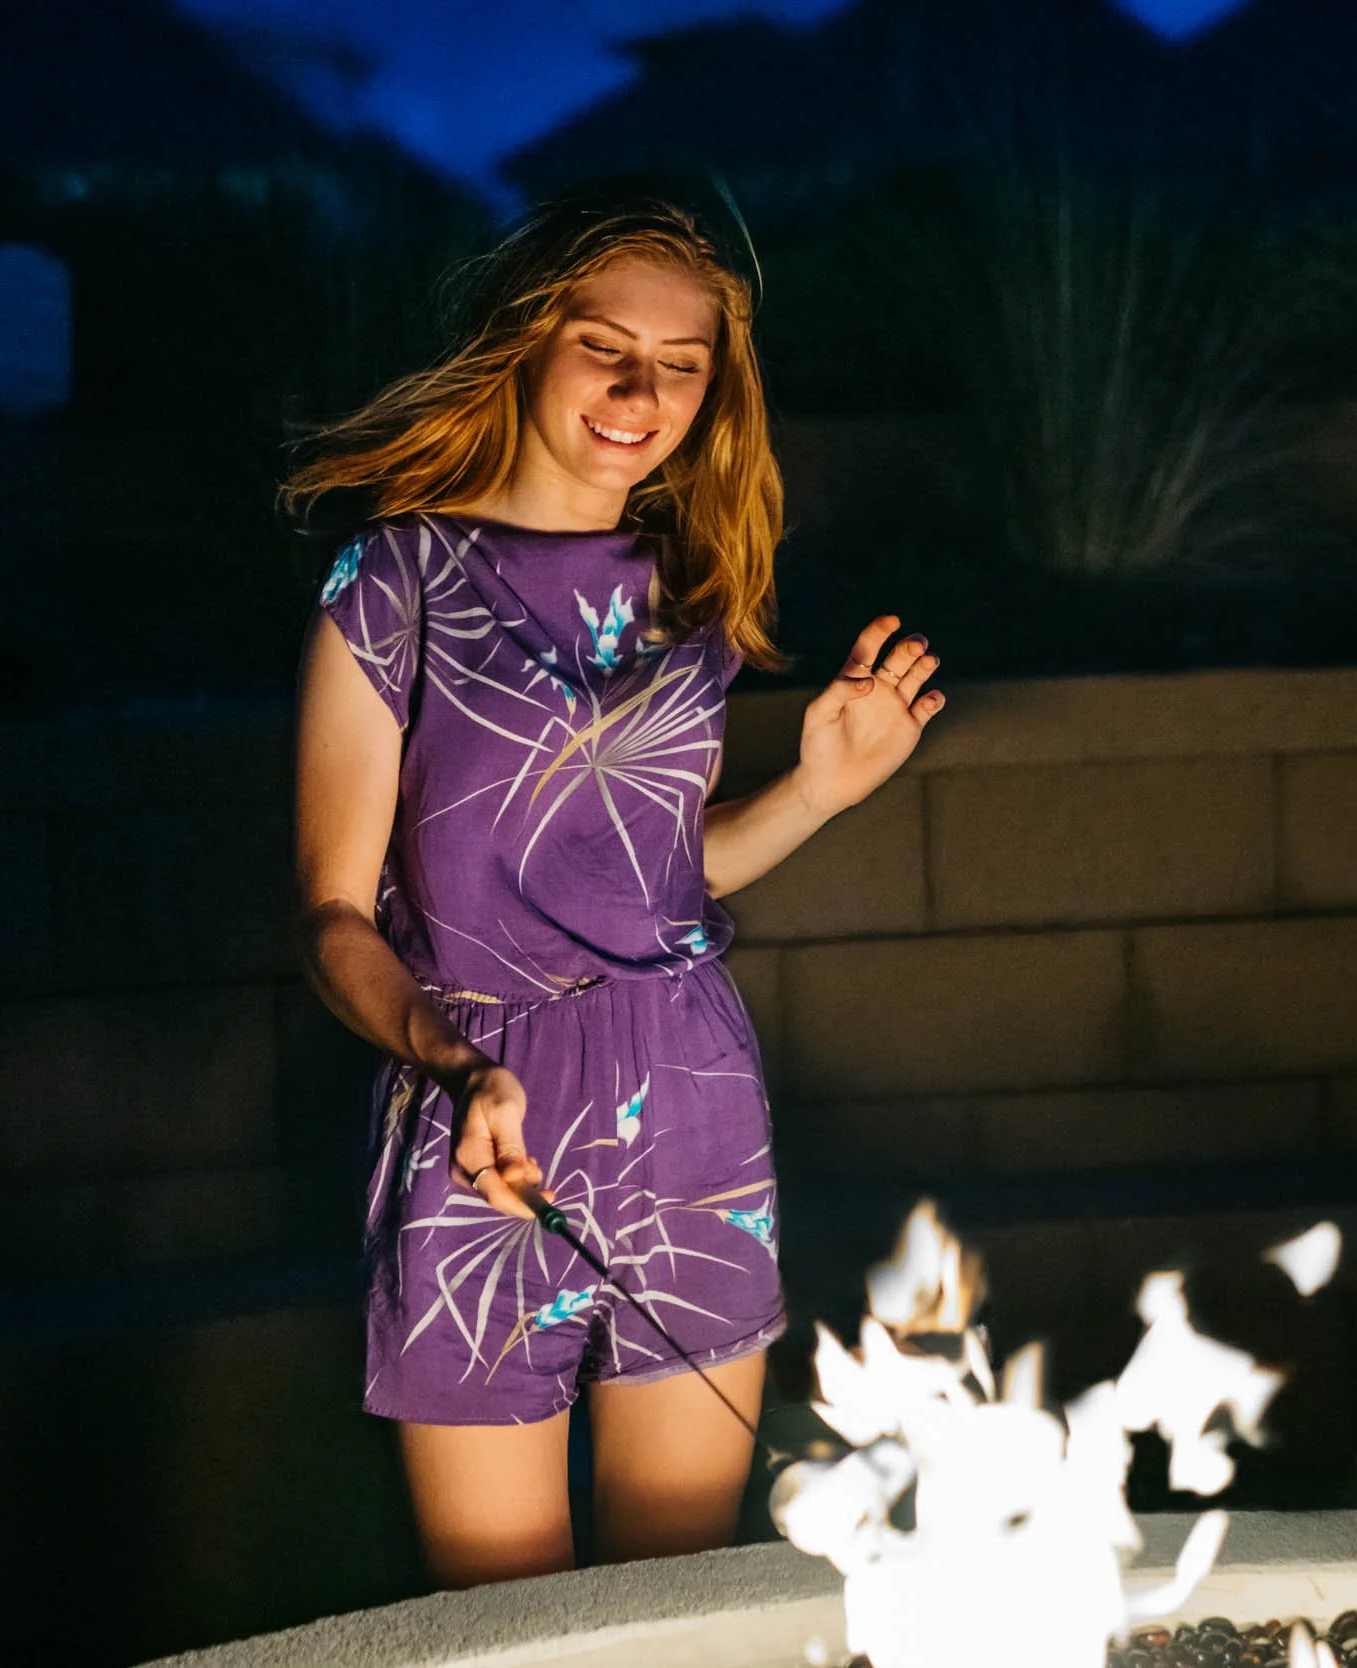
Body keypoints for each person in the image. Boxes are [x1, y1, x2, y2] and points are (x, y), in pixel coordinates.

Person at [286, 190, 947, 1589]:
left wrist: (819, 789)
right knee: (511, 1624)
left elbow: (654, 881)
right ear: (528, 344)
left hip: (691, 1103)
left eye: (683, 362)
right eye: (605, 345)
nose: (642, 390)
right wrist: (451, 1061)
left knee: (677, 1607)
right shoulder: (394, 577)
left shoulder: (693, 589)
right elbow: (337, 916)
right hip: (483, 1115)